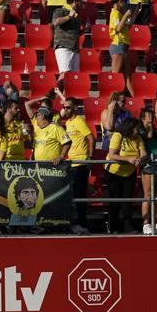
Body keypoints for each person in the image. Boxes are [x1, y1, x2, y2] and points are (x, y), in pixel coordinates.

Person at [105, 116, 145, 233]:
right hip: (114, 172)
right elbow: (112, 155)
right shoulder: (118, 136)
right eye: (136, 128)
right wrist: (128, 159)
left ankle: (127, 225)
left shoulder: (138, 138)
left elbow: (144, 153)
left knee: (127, 201)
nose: (138, 130)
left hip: (129, 173)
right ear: (130, 128)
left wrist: (140, 158)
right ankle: (114, 226)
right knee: (115, 200)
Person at [136, 106, 157, 235]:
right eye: (148, 116)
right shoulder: (141, 131)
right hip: (148, 164)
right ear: (143, 118)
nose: (151, 118)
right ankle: (146, 224)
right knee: (148, 195)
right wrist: (149, 124)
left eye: (152, 115)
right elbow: (148, 136)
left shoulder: (156, 130)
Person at [63, 99, 93, 234]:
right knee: (73, 195)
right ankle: (76, 223)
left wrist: (90, 158)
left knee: (79, 195)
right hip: (71, 163)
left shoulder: (79, 121)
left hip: (80, 163)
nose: (66, 110)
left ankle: (82, 223)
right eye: (64, 107)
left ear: (75, 108)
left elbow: (91, 138)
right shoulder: (68, 122)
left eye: (68, 108)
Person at [107, 0, 137, 91]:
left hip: (123, 46)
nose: (124, 4)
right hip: (118, 45)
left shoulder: (118, 13)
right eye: (124, 1)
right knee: (115, 75)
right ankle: (111, 98)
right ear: (119, 1)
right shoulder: (115, 13)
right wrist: (126, 15)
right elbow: (118, 28)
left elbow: (126, 27)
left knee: (127, 76)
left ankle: (135, 99)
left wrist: (135, 14)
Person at [51, 0, 83, 76]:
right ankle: (57, 90)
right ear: (75, 2)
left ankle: (63, 90)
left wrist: (83, 30)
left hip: (74, 49)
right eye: (80, 2)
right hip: (64, 47)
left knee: (73, 77)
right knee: (64, 74)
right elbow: (56, 22)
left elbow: (75, 32)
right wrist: (68, 17)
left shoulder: (76, 15)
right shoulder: (60, 11)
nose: (81, 4)